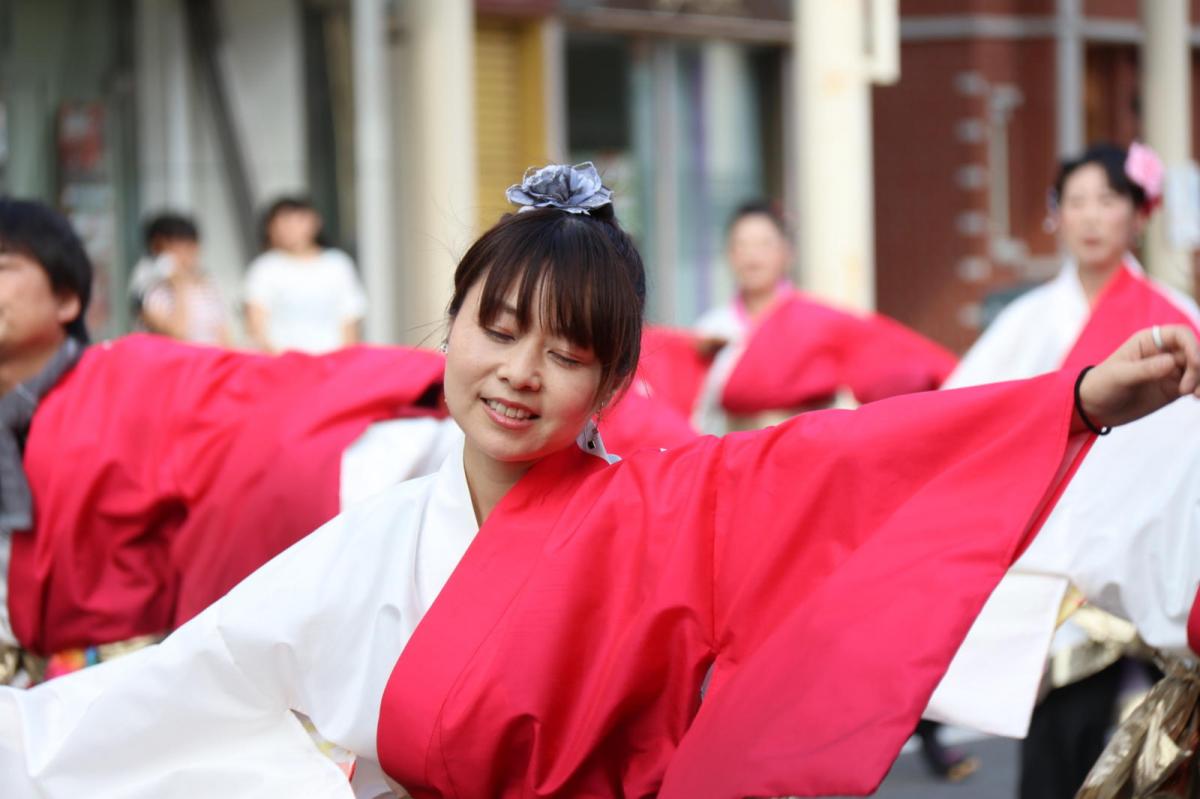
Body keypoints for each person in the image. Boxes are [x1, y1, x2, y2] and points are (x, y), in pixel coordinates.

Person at [0, 164, 1197, 799]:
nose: (521, 373)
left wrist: (1079, 402)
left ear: (616, 379)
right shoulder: (379, 528)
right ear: (448, 327)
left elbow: (849, 468)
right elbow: (197, 678)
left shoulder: (668, 506)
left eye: (568, 352)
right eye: (498, 329)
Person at [927, 142, 1200, 797]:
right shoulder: (1025, 322)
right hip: (1061, 570)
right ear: (1056, 215)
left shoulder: (1176, 317)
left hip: (1155, 559)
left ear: (1138, 213)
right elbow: (964, 416)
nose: (1091, 217)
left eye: (1107, 200)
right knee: (1057, 752)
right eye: (1076, 202)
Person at [692, 202, 956, 434]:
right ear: (729, 254)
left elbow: (881, 359)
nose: (752, 255)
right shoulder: (711, 329)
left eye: (764, 244)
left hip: (802, 449)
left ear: (787, 253)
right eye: (741, 245)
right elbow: (697, 408)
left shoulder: (817, 321)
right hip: (736, 453)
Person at [244, 196, 367, 354]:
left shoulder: (338, 264)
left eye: (296, 221)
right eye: (282, 223)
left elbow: (350, 321)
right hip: (281, 362)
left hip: (332, 362)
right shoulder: (264, 268)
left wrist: (344, 361)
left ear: (314, 222)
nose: (289, 229)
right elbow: (256, 326)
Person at [129, 212, 230, 345]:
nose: (189, 253)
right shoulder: (148, 290)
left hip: (207, 356)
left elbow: (224, 337)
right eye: (181, 245)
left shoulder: (207, 285)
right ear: (158, 247)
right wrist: (179, 284)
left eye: (192, 245)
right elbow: (177, 333)